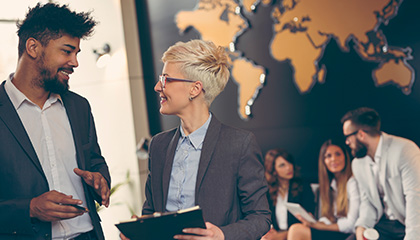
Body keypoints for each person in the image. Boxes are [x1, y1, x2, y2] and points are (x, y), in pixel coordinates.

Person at [121, 39, 271, 240]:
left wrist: (222, 235)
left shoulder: (239, 144)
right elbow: (150, 212)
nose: (158, 87)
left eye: (166, 79)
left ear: (195, 89)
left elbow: (260, 217)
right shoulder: (158, 145)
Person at [0, 3, 111, 240]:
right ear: (33, 47)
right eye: (66, 51)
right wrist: (29, 208)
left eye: (76, 53)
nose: (75, 62)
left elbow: (95, 161)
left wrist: (100, 180)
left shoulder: (79, 106)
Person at [341, 107, 420, 240]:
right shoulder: (358, 163)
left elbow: (416, 199)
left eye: (348, 136)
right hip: (386, 225)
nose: (346, 142)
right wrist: (362, 226)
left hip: (411, 222)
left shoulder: (404, 150)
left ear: (361, 134)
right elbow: (368, 202)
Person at [287, 139, 360, 240]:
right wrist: (316, 222)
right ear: (324, 161)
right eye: (328, 156)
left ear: (345, 157)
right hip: (336, 231)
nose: (333, 159)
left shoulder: (353, 182)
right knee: (297, 229)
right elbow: (330, 218)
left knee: (296, 230)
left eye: (338, 154)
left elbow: (351, 224)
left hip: (349, 233)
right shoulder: (331, 184)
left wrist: (320, 226)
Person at [261, 149, 315, 240]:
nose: (289, 168)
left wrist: (281, 236)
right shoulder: (268, 192)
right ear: (274, 170)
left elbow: (308, 221)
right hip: (277, 234)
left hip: (296, 235)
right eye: (282, 165)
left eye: (289, 163)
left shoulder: (303, 188)